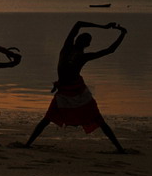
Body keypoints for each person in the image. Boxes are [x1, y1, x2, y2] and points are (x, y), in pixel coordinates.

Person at [23, 21, 127, 153]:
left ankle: (120, 149)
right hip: (64, 91)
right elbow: (78, 24)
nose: (79, 40)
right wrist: (102, 26)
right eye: (79, 38)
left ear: (87, 44)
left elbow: (110, 50)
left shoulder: (83, 56)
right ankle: (27, 144)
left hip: (79, 92)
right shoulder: (67, 48)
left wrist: (122, 34)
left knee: (98, 119)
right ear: (76, 39)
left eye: (84, 40)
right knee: (47, 118)